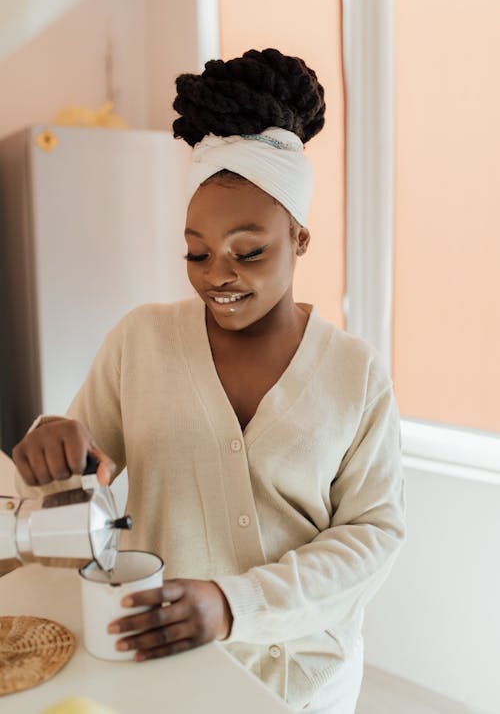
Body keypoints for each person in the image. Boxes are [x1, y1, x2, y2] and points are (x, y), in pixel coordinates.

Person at [12, 47, 406, 714]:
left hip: (306, 682)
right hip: (169, 673)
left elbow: (372, 535)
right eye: (196, 251)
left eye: (248, 251)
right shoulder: (140, 341)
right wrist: (50, 445)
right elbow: (72, 500)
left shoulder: (354, 374)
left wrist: (233, 604)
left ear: (300, 236)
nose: (216, 273)